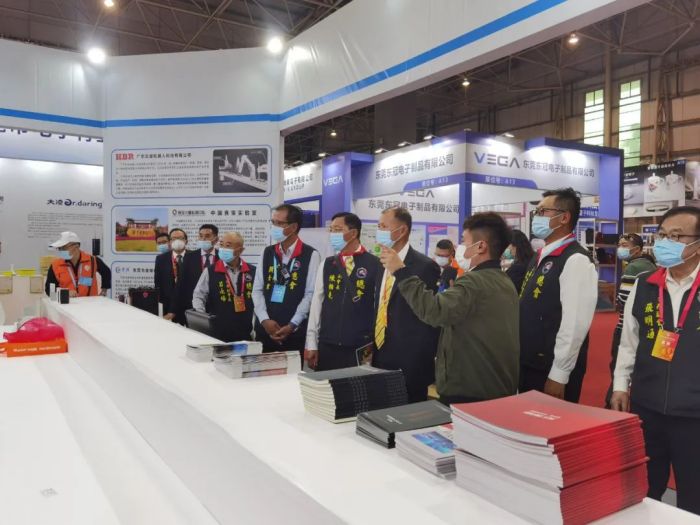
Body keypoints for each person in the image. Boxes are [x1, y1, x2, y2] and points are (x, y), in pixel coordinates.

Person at [611, 207, 700, 515]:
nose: (665, 243)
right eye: (662, 235)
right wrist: (620, 385)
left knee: (693, 496)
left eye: (676, 236)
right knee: (644, 490)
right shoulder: (645, 284)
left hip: (694, 415)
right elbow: (628, 341)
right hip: (647, 407)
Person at [380, 212, 519, 405]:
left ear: (480, 246)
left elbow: (435, 311)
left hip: (470, 388)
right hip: (492, 383)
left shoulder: (474, 282)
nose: (459, 248)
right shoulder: (503, 280)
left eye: (464, 241)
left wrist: (401, 272)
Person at [518, 188, 598, 403]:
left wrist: (559, 373)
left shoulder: (575, 260)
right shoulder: (541, 255)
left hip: (550, 366)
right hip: (529, 359)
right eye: (536, 211)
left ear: (564, 217)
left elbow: (575, 323)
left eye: (542, 211)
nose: (536, 217)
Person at [372, 207, 440, 402]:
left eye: (384, 227)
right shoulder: (380, 262)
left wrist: (420, 359)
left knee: (408, 411)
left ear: (401, 231)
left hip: (410, 359)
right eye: (378, 226)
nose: (379, 232)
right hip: (381, 351)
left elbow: (428, 316)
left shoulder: (424, 266)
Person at [304, 212, 381, 371]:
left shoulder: (375, 264)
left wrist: (374, 343)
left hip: (359, 345)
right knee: (326, 385)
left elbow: (379, 307)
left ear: (353, 233)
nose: (333, 234)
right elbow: (317, 304)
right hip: (328, 343)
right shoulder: (327, 264)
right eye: (331, 230)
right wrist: (311, 343)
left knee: (356, 385)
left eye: (337, 230)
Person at [252, 204, 320, 359]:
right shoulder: (267, 252)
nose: (274, 227)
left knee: (291, 373)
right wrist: (264, 319)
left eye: (279, 223)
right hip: (265, 330)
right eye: (273, 222)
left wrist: (292, 324)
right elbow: (257, 289)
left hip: (293, 332)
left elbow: (310, 294)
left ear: (294, 227)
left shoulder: (311, 255)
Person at [604, 233, 656, 406]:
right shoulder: (650, 265)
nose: (620, 248)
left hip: (625, 327)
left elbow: (623, 300)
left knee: (619, 369)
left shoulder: (633, 268)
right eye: (619, 245)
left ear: (637, 249)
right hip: (646, 326)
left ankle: (613, 404)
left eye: (625, 245)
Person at [192, 232, 255, 342]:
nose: (223, 249)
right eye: (221, 245)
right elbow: (198, 295)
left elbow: (259, 300)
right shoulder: (210, 271)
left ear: (240, 250)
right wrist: (202, 319)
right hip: (217, 330)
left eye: (228, 245)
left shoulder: (252, 271)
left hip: (245, 330)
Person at [45, 231, 111, 297]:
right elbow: (49, 290)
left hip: (90, 302)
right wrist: (65, 293)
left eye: (63, 248)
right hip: (67, 303)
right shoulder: (55, 265)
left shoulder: (92, 261)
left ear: (76, 246)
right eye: (59, 248)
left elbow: (106, 272)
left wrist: (104, 291)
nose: (61, 251)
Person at [179, 224, 220, 319]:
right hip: (193, 306)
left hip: (218, 307)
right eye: (201, 236)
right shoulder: (189, 257)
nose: (203, 239)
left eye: (207, 236)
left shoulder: (222, 257)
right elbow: (181, 284)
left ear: (216, 239)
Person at [154, 228, 188, 324]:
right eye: (173, 238)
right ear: (170, 241)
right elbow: (158, 284)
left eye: (180, 238)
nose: (177, 241)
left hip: (189, 306)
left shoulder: (194, 256)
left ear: (186, 240)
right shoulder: (161, 259)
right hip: (168, 307)